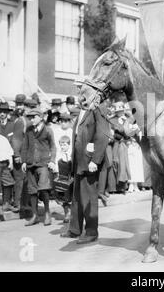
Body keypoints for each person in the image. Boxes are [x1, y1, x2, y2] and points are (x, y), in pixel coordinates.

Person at [60, 81, 110, 244]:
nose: (79, 93)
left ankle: (91, 232)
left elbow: (102, 136)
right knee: (77, 197)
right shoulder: (82, 110)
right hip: (79, 161)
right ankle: (74, 229)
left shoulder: (98, 108)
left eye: (81, 89)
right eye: (78, 90)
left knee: (88, 197)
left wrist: (95, 160)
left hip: (89, 162)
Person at [21, 109, 57, 226]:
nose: (31, 120)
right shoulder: (29, 130)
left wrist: (52, 160)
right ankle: (35, 215)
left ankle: (47, 213)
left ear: (40, 117)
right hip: (31, 163)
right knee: (32, 190)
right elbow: (25, 146)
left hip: (43, 163)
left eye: (33, 117)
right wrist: (24, 161)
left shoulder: (48, 130)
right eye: (30, 117)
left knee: (43, 188)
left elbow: (53, 147)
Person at [53, 135, 73, 223]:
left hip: (71, 179)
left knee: (71, 196)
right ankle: (67, 214)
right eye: (61, 145)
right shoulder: (59, 155)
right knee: (63, 197)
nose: (62, 147)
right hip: (62, 178)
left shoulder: (72, 155)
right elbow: (56, 167)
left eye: (64, 145)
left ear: (69, 145)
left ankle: (73, 212)